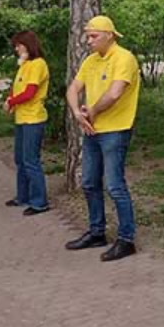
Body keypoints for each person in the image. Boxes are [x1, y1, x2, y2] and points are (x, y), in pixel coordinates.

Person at [64, 15, 141, 262]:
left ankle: (126, 239)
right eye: (88, 36)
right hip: (92, 129)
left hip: (115, 129)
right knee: (88, 182)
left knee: (115, 185)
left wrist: (92, 111)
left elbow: (116, 92)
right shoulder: (91, 61)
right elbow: (73, 89)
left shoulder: (124, 58)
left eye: (94, 36)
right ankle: (97, 232)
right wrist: (78, 113)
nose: (89, 41)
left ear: (109, 35)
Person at [4, 30, 50, 216]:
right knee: (20, 159)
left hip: (33, 118)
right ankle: (23, 195)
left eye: (18, 45)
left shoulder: (38, 65)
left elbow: (30, 92)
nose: (16, 49)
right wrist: (10, 100)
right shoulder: (24, 65)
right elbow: (17, 89)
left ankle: (40, 201)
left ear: (27, 45)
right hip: (21, 118)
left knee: (31, 160)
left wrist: (11, 102)